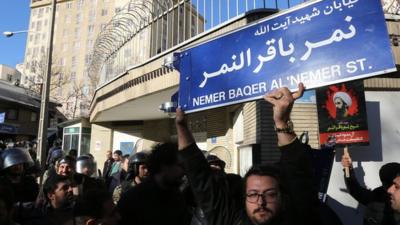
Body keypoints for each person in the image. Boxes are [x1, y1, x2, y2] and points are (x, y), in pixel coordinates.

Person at [176, 83, 321, 225]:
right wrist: (181, 125)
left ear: (282, 197)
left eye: (270, 194)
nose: (261, 202)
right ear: (244, 197)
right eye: (252, 194)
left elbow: (296, 167)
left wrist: (282, 122)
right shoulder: (229, 219)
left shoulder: (297, 216)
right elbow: (199, 176)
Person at [118, 143, 192, 225]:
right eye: (180, 166)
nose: (183, 171)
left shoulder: (177, 196)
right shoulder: (132, 199)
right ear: (164, 165)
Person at [342, 152, 400, 225]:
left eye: (396, 186)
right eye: (386, 184)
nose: (390, 190)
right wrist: (348, 169)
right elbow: (356, 191)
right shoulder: (378, 194)